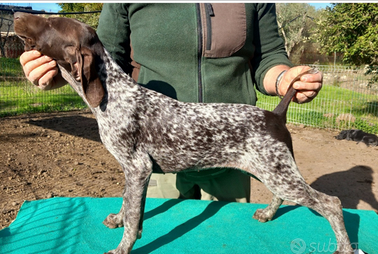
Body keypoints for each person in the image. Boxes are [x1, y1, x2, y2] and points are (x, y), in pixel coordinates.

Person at [19, 3, 323, 203]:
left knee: (230, 246)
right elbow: (104, 59)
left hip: (235, 150)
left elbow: (268, 56)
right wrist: (58, 71)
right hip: (157, 163)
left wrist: (284, 80)